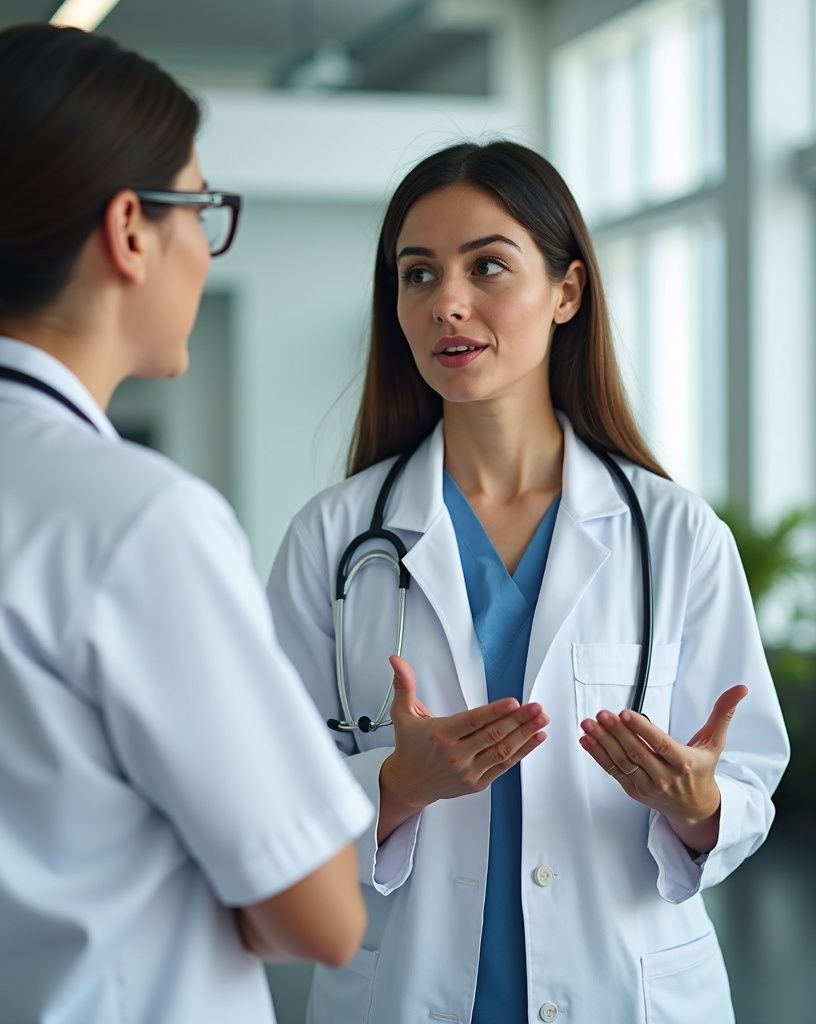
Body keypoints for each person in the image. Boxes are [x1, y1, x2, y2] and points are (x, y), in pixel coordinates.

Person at [0, 24, 372, 1024]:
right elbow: (321, 917)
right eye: (201, 206)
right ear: (130, 231)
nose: (201, 243)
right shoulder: (137, 520)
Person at [266, 140, 790, 1024]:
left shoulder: (674, 534)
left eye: (489, 266)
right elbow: (269, 789)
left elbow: (744, 780)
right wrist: (397, 788)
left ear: (567, 293)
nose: (448, 304)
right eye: (418, 274)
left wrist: (696, 802)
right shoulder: (335, 538)